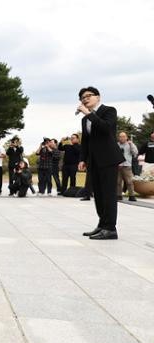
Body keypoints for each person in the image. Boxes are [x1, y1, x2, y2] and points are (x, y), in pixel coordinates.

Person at [77, 86, 124, 240]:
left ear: (98, 97)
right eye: (82, 97)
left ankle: (110, 228)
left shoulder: (109, 111)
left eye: (89, 95)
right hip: (94, 161)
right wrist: (83, 159)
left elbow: (106, 128)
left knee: (108, 194)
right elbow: (86, 141)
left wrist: (89, 114)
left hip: (109, 159)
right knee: (98, 193)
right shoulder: (85, 119)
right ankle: (102, 225)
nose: (85, 99)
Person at [116, 132, 138, 201]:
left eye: (123, 136)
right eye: (120, 137)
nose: (121, 138)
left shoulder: (130, 144)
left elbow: (135, 153)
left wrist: (131, 145)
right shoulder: (116, 145)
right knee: (118, 182)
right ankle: (118, 195)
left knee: (129, 182)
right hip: (118, 166)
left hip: (127, 166)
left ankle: (131, 195)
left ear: (126, 137)